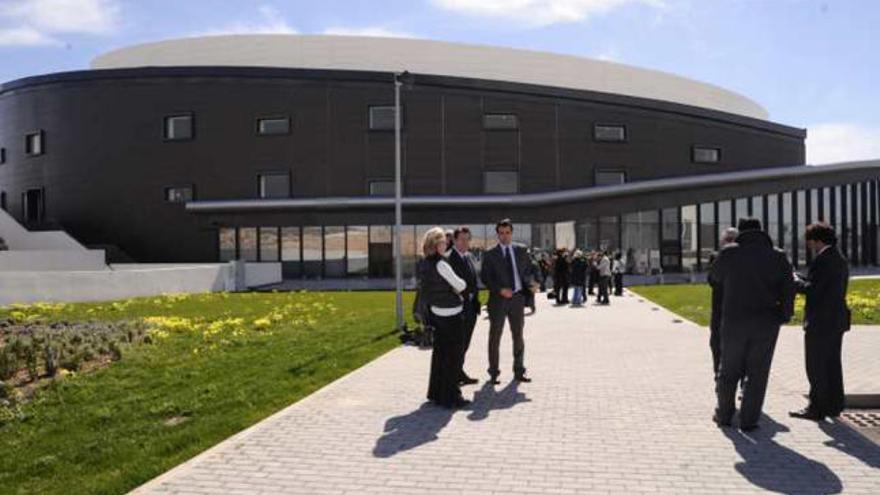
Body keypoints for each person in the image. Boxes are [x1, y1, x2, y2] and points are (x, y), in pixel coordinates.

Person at [710, 218, 795, 431]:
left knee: (728, 370)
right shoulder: (778, 256)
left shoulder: (730, 253)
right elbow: (789, 288)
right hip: (766, 322)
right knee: (757, 373)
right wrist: (784, 315)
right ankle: (749, 420)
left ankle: (724, 415)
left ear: (741, 231)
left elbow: (714, 279)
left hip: (733, 321)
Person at [790, 222, 850, 421]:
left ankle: (816, 408)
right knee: (832, 363)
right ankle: (834, 405)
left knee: (815, 365)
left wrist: (794, 282)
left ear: (817, 240)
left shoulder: (823, 260)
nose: (808, 245)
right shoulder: (838, 258)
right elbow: (820, 284)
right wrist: (802, 278)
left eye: (810, 241)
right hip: (836, 320)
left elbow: (813, 290)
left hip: (821, 321)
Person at [419, 227, 470, 409]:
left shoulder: (425, 263)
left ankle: (436, 393)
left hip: (436, 313)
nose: (445, 243)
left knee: (440, 354)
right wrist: (456, 288)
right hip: (451, 314)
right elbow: (461, 284)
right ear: (436, 244)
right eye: (442, 241)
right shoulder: (441, 264)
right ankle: (451, 396)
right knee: (453, 356)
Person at [480, 219, 536, 384]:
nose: (504, 236)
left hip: (517, 299)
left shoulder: (521, 250)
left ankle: (519, 371)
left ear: (512, 233)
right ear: (498, 234)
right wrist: (499, 289)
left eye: (507, 233)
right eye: (501, 233)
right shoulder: (490, 254)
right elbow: (485, 278)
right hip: (498, 300)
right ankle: (493, 373)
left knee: (518, 336)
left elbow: (531, 268)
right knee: (495, 336)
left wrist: (535, 282)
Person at [447, 226, 481, 386]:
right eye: (462, 239)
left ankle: (459, 372)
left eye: (468, 239)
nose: (465, 242)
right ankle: (453, 375)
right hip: (458, 308)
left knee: (465, 343)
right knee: (457, 344)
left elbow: (473, 280)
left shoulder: (468, 256)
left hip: (471, 308)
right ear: (454, 240)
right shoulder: (449, 258)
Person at [708, 227, 739, 376]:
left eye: (733, 240)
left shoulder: (744, 257)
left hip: (738, 310)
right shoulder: (717, 256)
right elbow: (712, 280)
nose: (730, 243)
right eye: (727, 240)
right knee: (716, 343)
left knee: (738, 347)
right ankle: (718, 373)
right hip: (719, 308)